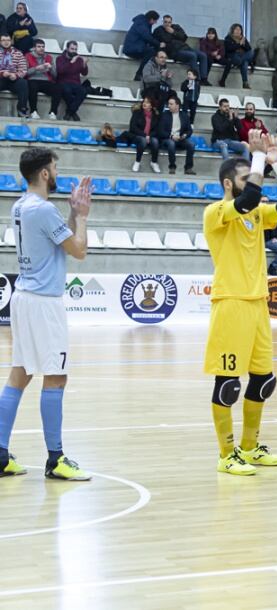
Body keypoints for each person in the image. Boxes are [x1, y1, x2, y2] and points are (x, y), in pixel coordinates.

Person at [202, 131, 277, 475]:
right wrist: (257, 156)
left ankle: (249, 447)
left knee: (263, 381)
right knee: (228, 383)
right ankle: (226, 453)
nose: (253, 183)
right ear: (229, 184)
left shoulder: (257, 213)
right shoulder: (216, 212)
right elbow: (247, 201)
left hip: (258, 303)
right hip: (231, 302)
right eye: (245, 178)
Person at [0, 149, 92, 481]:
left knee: (20, 374)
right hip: (43, 302)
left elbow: (59, 242)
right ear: (43, 174)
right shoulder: (44, 209)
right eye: (54, 168)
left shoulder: (21, 206)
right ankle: (56, 459)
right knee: (56, 377)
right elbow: (79, 251)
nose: (56, 174)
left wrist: (70, 216)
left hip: (24, 297)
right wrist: (81, 216)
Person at [154, 15, 209, 85]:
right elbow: (165, 40)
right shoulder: (159, 30)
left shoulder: (176, 27)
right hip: (175, 51)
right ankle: (196, 78)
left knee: (203, 55)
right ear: (162, 22)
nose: (167, 24)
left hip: (185, 48)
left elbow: (184, 37)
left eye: (169, 22)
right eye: (165, 22)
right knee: (193, 56)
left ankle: (204, 79)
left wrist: (174, 32)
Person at [156, 96, 196, 175]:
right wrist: (171, 136)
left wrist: (185, 135)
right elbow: (160, 131)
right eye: (168, 104)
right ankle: (172, 167)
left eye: (171, 104)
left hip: (180, 139)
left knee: (191, 144)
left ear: (177, 105)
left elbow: (189, 130)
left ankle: (188, 168)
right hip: (167, 138)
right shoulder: (164, 115)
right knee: (171, 143)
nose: (169, 106)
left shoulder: (184, 116)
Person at [51, 40, 87, 122]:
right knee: (67, 91)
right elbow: (60, 71)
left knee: (83, 91)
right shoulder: (60, 58)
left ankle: (70, 112)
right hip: (63, 82)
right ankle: (73, 113)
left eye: (75, 49)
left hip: (76, 83)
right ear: (67, 49)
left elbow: (84, 73)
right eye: (72, 49)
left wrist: (84, 65)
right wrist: (71, 62)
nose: (74, 51)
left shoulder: (79, 59)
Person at [122, 11, 162, 81]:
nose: (155, 23)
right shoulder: (142, 24)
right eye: (155, 21)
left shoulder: (143, 23)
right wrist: (159, 44)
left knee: (154, 53)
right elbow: (147, 37)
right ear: (151, 19)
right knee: (151, 52)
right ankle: (139, 74)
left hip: (136, 47)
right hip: (132, 48)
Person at [125, 96, 161, 173]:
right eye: (144, 102)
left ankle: (154, 162)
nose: (144, 103)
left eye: (147, 102)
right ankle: (137, 162)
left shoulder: (156, 116)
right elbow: (133, 127)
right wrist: (145, 135)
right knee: (142, 140)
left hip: (150, 136)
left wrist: (149, 136)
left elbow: (157, 130)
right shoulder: (137, 113)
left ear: (151, 105)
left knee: (155, 141)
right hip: (137, 136)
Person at [23, 38, 55, 120]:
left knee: (58, 88)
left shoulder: (49, 57)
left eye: (43, 47)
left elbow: (55, 75)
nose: (41, 48)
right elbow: (24, 73)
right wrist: (36, 68)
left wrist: (51, 68)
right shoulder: (27, 56)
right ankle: (33, 111)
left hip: (46, 81)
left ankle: (53, 112)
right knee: (32, 86)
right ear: (34, 48)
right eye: (39, 46)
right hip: (32, 79)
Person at [0, 33, 30, 118]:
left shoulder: (18, 53)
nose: (6, 42)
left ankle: (22, 109)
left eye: (8, 40)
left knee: (23, 83)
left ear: (11, 41)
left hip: (13, 79)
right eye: (3, 40)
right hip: (1, 78)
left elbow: (23, 69)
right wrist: (2, 73)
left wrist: (16, 75)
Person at [220, 24, 254, 89]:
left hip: (242, 56)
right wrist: (239, 44)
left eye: (239, 30)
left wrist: (244, 44)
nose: (238, 31)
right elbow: (229, 49)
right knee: (244, 62)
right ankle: (245, 82)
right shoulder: (228, 38)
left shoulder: (243, 38)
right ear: (232, 30)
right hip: (233, 56)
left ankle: (245, 83)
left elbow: (249, 49)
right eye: (236, 29)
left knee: (249, 56)